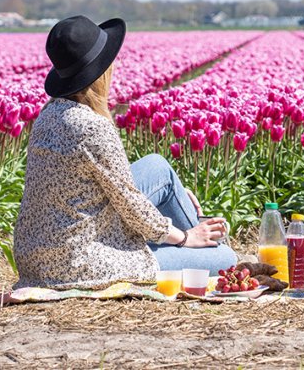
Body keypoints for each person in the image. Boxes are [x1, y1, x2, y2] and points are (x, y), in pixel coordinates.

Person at [13, 15, 235, 290]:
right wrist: (185, 237)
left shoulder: (49, 114)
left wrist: (175, 198)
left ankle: (196, 240)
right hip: (76, 264)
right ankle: (201, 245)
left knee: (157, 166)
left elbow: (115, 188)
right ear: (101, 71)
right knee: (226, 259)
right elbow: (129, 201)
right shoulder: (92, 127)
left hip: (37, 257)